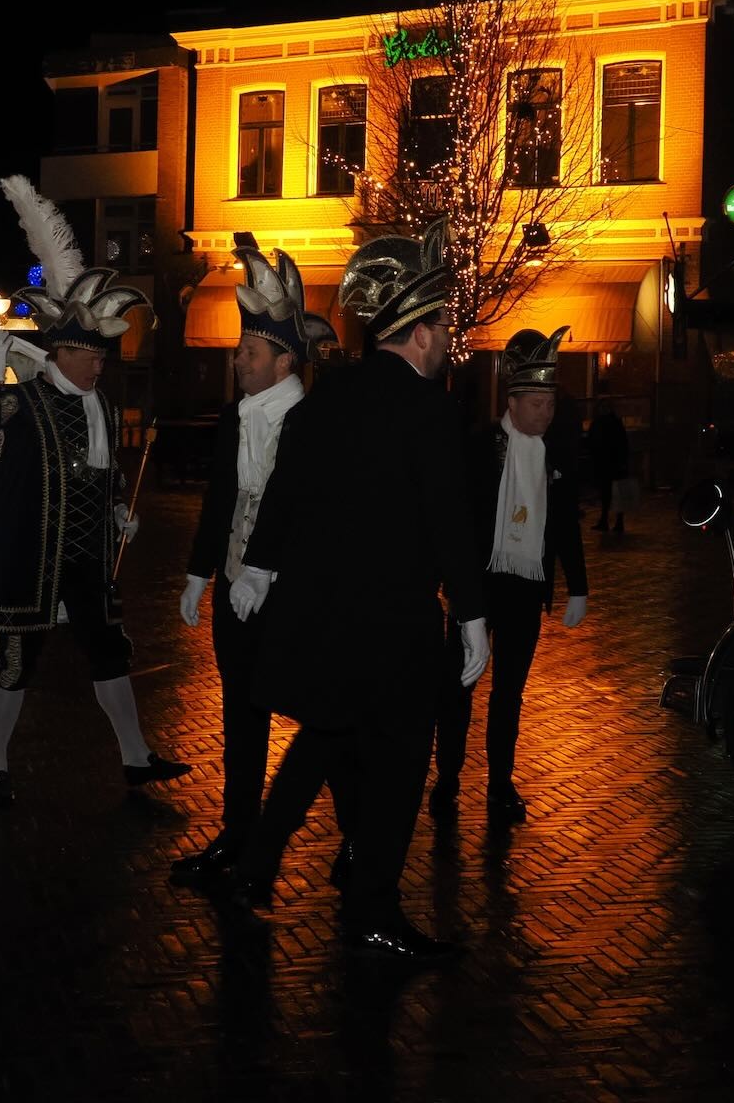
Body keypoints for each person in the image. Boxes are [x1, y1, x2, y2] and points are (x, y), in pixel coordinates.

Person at [222, 220, 488, 962]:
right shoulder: (431, 408)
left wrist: (260, 567)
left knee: (323, 738)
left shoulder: (325, 397)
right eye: (444, 329)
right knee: (400, 765)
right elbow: (448, 520)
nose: (447, 341)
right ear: (424, 335)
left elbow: (284, 490)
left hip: (320, 616)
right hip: (393, 625)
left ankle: (255, 868)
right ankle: (374, 909)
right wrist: (471, 614)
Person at [0, 175, 190, 808]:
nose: (99, 364)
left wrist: (117, 507)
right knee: (16, 663)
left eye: (102, 357)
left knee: (110, 654)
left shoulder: (105, 408)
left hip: (88, 557)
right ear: (60, 353)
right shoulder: (24, 402)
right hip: (33, 560)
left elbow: (103, 471)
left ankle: (136, 758)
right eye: (91, 356)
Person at [170, 246, 351, 888]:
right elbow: (221, 501)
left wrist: (269, 572)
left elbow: (316, 516)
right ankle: (238, 834)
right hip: (234, 593)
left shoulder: (316, 422)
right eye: (238, 349)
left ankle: (356, 837)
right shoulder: (232, 419)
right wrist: (200, 574)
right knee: (241, 718)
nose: (237, 359)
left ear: (283, 361)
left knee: (319, 720)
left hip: (296, 599)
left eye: (249, 351)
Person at [430, 326, 589, 825]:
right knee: (458, 688)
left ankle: (500, 782)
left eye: (551, 404)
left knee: (509, 693)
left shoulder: (555, 452)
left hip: (525, 589)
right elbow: (454, 520)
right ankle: (447, 777)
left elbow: (564, 522)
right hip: (477, 587)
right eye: (537, 404)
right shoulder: (479, 446)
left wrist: (578, 586)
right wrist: (452, 585)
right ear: (514, 403)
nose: (546, 413)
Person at [588, 398, 632, 536]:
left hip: (608, 462)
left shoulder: (602, 423)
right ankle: (612, 521)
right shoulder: (613, 422)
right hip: (610, 462)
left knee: (610, 492)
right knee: (610, 492)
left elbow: (594, 442)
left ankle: (612, 521)